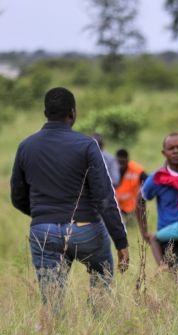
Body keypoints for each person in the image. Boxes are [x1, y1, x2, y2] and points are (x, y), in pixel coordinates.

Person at [10, 87, 129, 309]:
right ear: (73, 113)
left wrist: (44, 214)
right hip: (86, 229)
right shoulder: (87, 145)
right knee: (101, 276)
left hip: (43, 231)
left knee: (52, 301)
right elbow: (104, 197)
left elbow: (17, 196)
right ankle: (97, 328)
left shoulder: (26, 146)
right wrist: (120, 241)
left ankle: (52, 334)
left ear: (45, 112)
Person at [136, 133, 178, 270]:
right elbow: (139, 200)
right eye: (171, 148)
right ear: (164, 153)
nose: (176, 151)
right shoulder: (158, 178)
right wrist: (144, 232)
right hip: (170, 241)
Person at [114, 148, 147, 217]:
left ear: (127, 160)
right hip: (115, 207)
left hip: (132, 209)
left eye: (123, 162)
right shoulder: (110, 169)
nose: (121, 165)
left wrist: (142, 204)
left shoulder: (137, 170)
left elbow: (148, 183)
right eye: (119, 162)